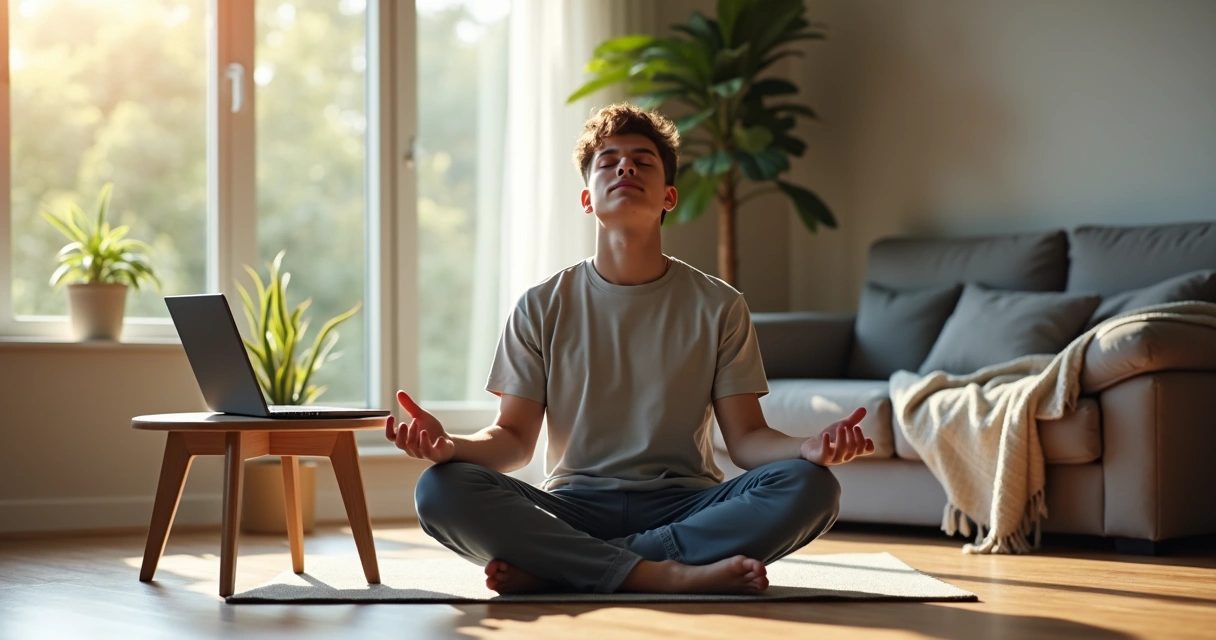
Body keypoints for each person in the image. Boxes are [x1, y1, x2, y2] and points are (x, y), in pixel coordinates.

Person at [386, 103, 875, 596]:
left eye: (642, 160)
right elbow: (512, 440)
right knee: (439, 488)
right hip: (573, 507)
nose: (625, 167)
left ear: (668, 196)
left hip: (686, 505)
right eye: (609, 161)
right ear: (586, 199)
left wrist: (807, 449)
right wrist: (452, 446)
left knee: (812, 487)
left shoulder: (720, 305)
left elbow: (747, 440)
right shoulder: (540, 305)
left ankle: (569, 569)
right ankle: (663, 572)